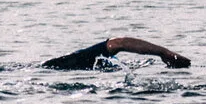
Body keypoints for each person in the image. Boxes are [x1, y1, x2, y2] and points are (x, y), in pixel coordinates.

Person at [41, 36, 192, 71]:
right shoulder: (66, 62)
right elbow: (118, 43)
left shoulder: (55, 65)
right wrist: (164, 53)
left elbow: (117, 44)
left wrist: (163, 53)